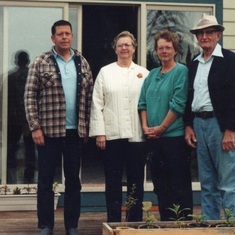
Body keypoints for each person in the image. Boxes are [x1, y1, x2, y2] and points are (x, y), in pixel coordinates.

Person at [24, 20, 93, 235]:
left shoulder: (82, 62)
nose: (64, 37)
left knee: (74, 181)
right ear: (53, 38)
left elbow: (90, 96)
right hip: (48, 133)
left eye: (67, 34)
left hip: (75, 133)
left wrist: (87, 127)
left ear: (72, 36)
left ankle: (72, 225)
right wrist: (35, 127)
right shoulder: (40, 61)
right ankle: (46, 225)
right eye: (60, 34)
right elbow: (29, 97)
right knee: (45, 181)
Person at [89, 31, 149, 222]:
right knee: (112, 182)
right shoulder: (105, 72)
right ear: (115, 48)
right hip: (112, 136)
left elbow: (149, 104)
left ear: (134, 48)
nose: (124, 48)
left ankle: (134, 221)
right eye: (121, 45)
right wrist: (99, 132)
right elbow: (97, 103)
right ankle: (113, 221)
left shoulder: (144, 73)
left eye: (128, 44)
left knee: (135, 183)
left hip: (137, 137)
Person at [138, 30, 193, 221]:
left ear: (175, 50)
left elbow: (178, 104)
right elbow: (142, 103)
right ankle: (166, 223)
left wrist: (162, 127)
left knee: (178, 184)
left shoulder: (181, 71)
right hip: (154, 138)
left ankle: (182, 224)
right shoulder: (152, 74)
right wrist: (146, 127)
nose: (164, 51)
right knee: (160, 185)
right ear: (156, 51)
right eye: (160, 47)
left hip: (173, 138)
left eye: (168, 47)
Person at [184, 14, 235, 220]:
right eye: (200, 33)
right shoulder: (194, 63)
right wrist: (188, 125)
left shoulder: (230, 61)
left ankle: (232, 226)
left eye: (209, 32)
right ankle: (210, 226)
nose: (204, 36)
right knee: (207, 182)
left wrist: (231, 130)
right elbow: (190, 97)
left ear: (218, 35)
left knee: (228, 182)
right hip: (199, 124)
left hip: (220, 127)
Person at [8, 50, 36, 184]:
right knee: (30, 150)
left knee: (12, 149)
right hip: (29, 118)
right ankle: (29, 178)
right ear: (28, 61)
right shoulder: (32, 76)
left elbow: (7, 100)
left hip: (13, 119)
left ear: (16, 61)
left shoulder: (11, 77)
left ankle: (10, 178)